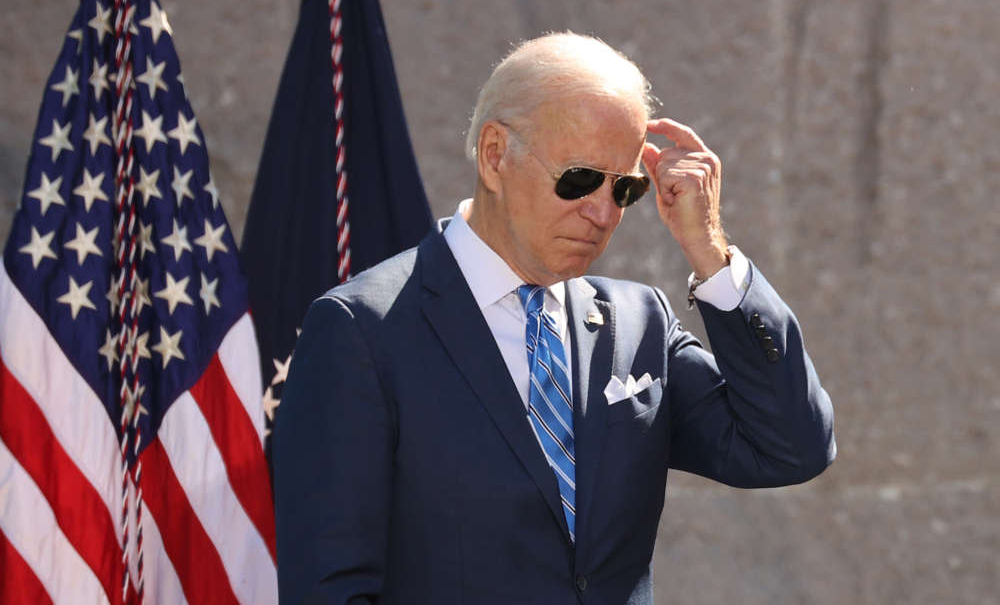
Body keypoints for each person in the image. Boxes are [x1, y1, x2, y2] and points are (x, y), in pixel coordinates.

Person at [273, 32, 835, 604]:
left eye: (626, 189)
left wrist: (710, 252)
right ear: (496, 155)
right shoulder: (362, 330)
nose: (601, 211)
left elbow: (791, 446)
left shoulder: (637, 323)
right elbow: (329, 588)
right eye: (580, 178)